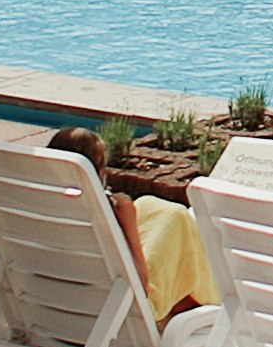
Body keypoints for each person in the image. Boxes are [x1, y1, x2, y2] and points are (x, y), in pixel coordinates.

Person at [47, 125, 214, 324]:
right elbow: (139, 287)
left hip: (56, 300)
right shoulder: (100, 213)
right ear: (98, 173)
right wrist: (128, 225)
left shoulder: (32, 209)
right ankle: (213, 303)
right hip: (118, 310)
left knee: (151, 207)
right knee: (176, 220)